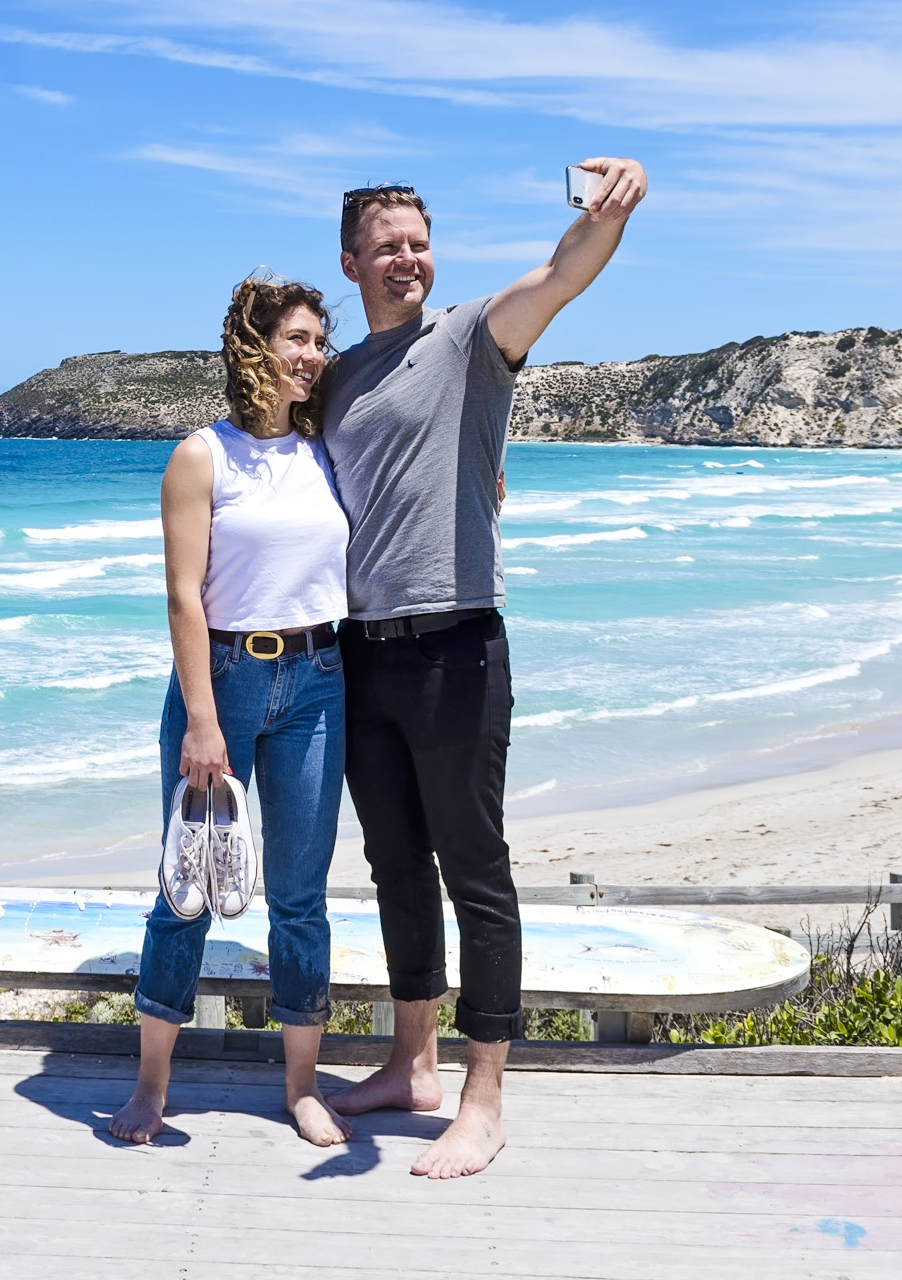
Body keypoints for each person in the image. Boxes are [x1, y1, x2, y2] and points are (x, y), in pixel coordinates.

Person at [320, 159, 648, 1179]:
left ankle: (484, 1097)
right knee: (393, 867)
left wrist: (613, 210)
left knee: (475, 869)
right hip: (362, 654)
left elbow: (561, 273)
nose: (407, 257)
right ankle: (409, 1065)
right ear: (351, 263)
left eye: (418, 241)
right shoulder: (332, 379)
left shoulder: (469, 336)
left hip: (458, 643)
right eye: (387, 245)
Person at [111, 274, 354, 1149]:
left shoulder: (327, 446)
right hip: (221, 680)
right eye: (297, 337)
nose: (314, 354)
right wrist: (204, 722)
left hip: (319, 679)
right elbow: (183, 598)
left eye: (320, 340)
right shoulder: (200, 456)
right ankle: (150, 1086)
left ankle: (301, 1087)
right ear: (255, 345)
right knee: (186, 889)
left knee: (299, 895)